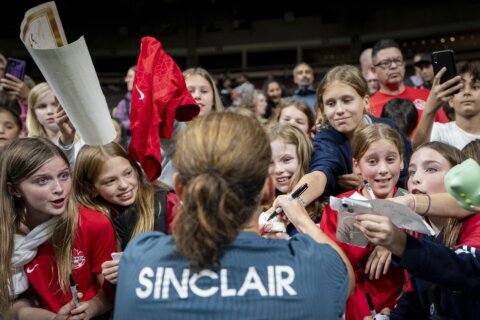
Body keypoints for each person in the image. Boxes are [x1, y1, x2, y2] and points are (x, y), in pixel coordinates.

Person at [114, 112, 354, 320]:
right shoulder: (314, 266)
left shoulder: (140, 260)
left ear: (179, 188)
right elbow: (343, 273)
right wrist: (300, 217)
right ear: (268, 188)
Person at [355, 142, 480, 319]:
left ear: (460, 179)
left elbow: (464, 267)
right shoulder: (421, 233)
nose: (415, 179)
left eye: (430, 169)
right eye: (412, 172)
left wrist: (401, 244)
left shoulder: (475, 222)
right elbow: (415, 302)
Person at [0, 137, 116, 319]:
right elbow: (12, 305)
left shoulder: (93, 223)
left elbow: (111, 293)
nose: (59, 188)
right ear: (14, 190)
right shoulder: (7, 234)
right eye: (42, 180)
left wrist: (91, 308)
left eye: (63, 175)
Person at [286, 65, 412, 208]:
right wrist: (293, 203)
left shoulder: (390, 129)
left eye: (347, 100)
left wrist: (371, 185)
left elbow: (407, 177)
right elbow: (319, 173)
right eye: (331, 103)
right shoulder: (327, 136)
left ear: (365, 102)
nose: (339, 110)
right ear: (323, 109)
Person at [320, 123, 406, 320]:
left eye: (391, 159)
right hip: (353, 309)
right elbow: (332, 270)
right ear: (357, 166)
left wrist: (397, 238)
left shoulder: (413, 205)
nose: (383, 169)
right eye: (372, 161)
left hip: (401, 309)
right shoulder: (340, 207)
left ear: (402, 161)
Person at [72, 142, 180, 282]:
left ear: (135, 168)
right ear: (90, 188)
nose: (123, 185)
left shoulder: (166, 203)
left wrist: (139, 266)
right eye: (110, 181)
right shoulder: (92, 218)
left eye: (128, 173)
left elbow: (189, 256)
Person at [159, 67, 224, 187]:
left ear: (214, 99)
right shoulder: (172, 129)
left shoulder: (226, 132)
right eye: (190, 91)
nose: (197, 96)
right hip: (172, 201)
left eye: (204, 91)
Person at [369, 39, 449, 125]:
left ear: (403, 64)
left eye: (397, 60)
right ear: (374, 71)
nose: (393, 66)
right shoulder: (369, 107)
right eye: (385, 63)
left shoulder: (427, 96)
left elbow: (445, 131)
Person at [413, 61, 480, 149]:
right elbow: (418, 151)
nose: (467, 92)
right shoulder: (438, 131)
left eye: (475, 87)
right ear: (450, 100)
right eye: (460, 88)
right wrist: (430, 109)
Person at [112, 65, 135, 138]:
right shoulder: (123, 103)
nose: (126, 80)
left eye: (130, 77)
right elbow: (118, 125)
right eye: (127, 77)